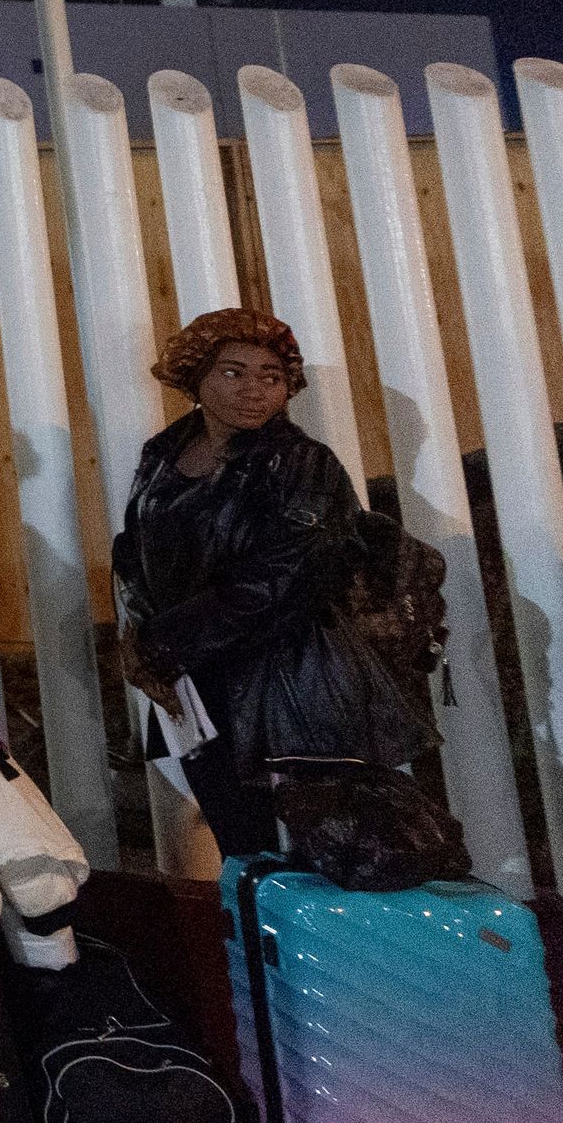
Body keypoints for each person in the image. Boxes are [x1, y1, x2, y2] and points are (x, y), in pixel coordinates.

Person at [113, 306, 402, 862]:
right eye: (232, 372)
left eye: (271, 377)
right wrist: (140, 637)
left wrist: (162, 645)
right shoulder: (164, 452)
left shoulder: (301, 463)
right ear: (195, 375)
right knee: (239, 846)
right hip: (195, 679)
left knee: (314, 855)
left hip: (287, 684)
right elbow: (134, 550)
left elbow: (285, 577)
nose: (254, 390)